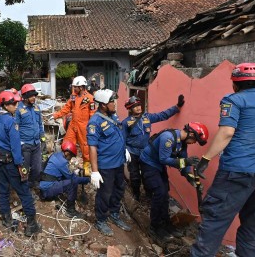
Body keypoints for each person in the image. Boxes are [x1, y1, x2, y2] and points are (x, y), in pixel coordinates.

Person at [191, 63, 255, 257]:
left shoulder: (233, 100)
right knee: (254, 224)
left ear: (235, 84)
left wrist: (206, 159)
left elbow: (226, 132)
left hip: (237, 173)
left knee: (215, 220)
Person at [139, 122, 208, 240]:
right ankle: (154, 227)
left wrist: (189, 176)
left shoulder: (182, 143)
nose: (194, 142)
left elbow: (183, 160)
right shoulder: (168, 138)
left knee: (165, 194)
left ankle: (166, 223)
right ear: (191, 134)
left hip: (159, 166)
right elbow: (164, 159)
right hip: (149, 164)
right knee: (159, 193)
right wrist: (186, 162)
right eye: (195, 140)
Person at [0, 91, 41, 237]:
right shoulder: (11, 122)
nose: (16, 105)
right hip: (12, 162)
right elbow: (15, 146)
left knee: (3, 190)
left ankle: (6, 218)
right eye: (14, 103)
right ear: (6, 105)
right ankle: (32, 224)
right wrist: (20, 165)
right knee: (24, 192)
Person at [87, 89, 133, 236]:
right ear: (102, 105)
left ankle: (114, 214)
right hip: (106, 165)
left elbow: (118, 134)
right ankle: (101, 219)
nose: (114, 104)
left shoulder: (114, 116)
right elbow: (92, 147)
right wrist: (94, 171)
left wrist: (124, 149)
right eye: (111, 102)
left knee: (119, 190)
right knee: (104, 194)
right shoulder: (95, 122)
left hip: (119, 162)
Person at [123, 94, 184, 201]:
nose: (138, 107)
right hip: (132, 152)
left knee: (147, 174)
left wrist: (177, 107)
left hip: (145, 153)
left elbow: (162, 115)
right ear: (130, 109)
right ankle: (136, 195)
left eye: (139, 105)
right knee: (135, 175)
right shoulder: (125, 122)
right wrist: (124, 151)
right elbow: (122, 138)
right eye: (135, 106)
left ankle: (148, 195)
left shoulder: (147, 117)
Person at [52, 76, 96, 176]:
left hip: (84, 127)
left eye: (75, 87)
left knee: (86, 151)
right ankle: (63, 169)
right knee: (66, 146)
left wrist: (92, 129)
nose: (74, 88)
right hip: (73, 125)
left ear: (81, 87)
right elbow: (67, 108)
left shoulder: (89, 99)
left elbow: (92, 115)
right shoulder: (73, 96)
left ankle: (87, 172)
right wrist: (56, 115)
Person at [39, 140, 90, 218]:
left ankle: (52, 194)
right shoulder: (62, 162)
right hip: (47, 190)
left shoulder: (55, 155)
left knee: (66, 178)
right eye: (71, 156)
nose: (70, 159)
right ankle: (70, 210)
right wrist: (89, 179)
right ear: (67, 153)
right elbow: (74, 178)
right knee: (72, 183)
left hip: (43, 187)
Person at [15, 84, 44, 194]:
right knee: (24, 169)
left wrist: (43, 138)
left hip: (36, 143)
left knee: (37, 168)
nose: (34, 98)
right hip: (25, 144)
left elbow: (40, 124)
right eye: (31, 96)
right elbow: (16, 128)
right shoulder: (18, 109)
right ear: (25, 96)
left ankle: (32, 184)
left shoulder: (37, 108)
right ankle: (24, 189)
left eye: (34, 96)